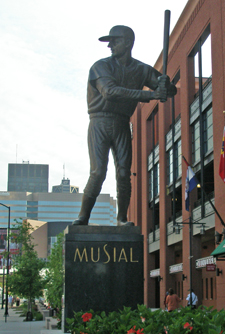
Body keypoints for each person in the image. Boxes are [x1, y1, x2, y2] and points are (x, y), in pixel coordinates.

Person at [73, 25, 177, 227]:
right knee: (98, 172)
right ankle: (83, 217)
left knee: (123, 173)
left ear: (128, 43)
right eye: (109, 42)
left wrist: (166, 84)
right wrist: (150, 94)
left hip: (122, 122)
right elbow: (109, 92)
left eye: (115, 41)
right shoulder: (100, 66)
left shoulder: (141, 69)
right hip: (99, 121)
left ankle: (121, 219)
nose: (110, 45)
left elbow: (168, 91)